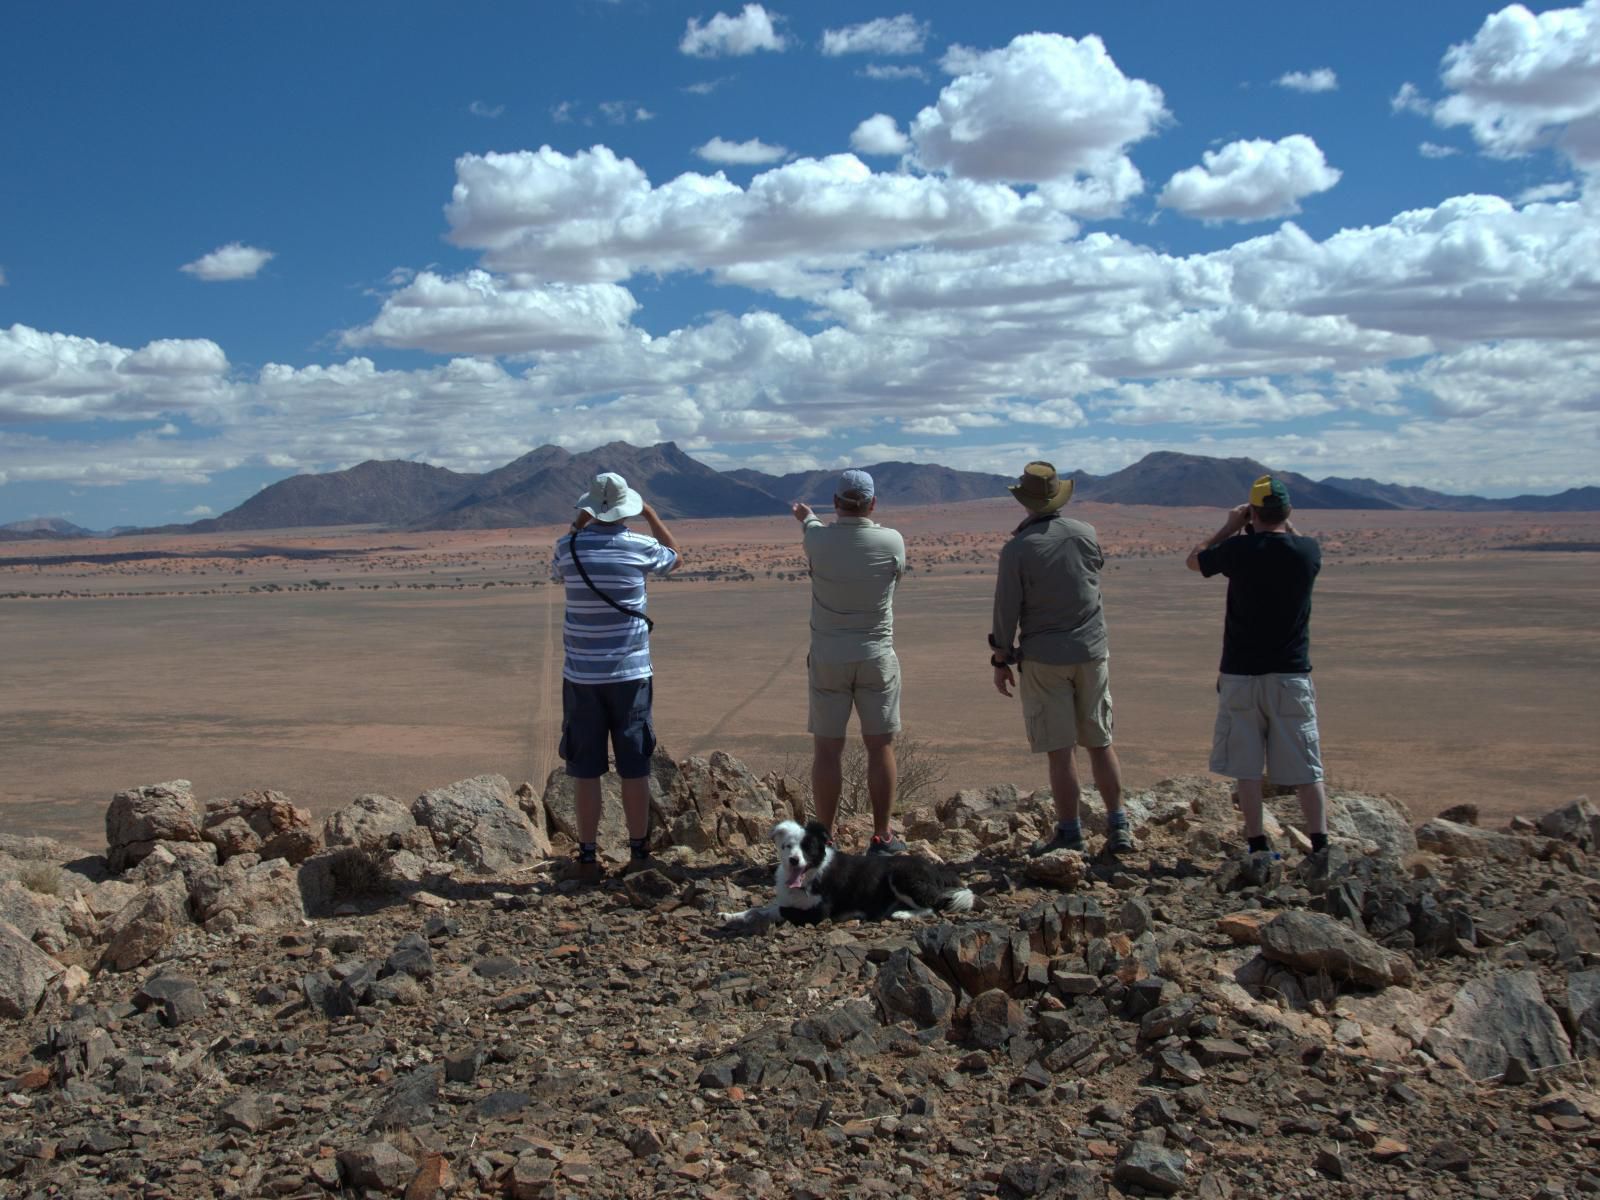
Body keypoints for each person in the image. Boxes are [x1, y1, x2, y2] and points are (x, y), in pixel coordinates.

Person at [990, 461, 1132, 857]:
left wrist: (1000, 658)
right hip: (1091, 651)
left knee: (1061, 749)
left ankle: (1070, 832)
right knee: (1101, 742)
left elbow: (1007, 609)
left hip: (1044, 658)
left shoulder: (1018, 548)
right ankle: (1119, 825)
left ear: (1026, 500)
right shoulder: (1086, 533)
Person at [1186, 474, 1329, 859]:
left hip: (1241, 674)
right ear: (1288, 511)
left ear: (1252, 513)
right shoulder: (1308, 551)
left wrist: (1229, 528)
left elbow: (1194, 561)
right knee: (1305, 763)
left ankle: (1258, 845)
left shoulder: (1239, 550)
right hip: (1291, 674)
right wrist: (1281, 524)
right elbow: (1292, 538)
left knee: (1246, 765)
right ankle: (1320, 845)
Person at [551, 471, 680, 881]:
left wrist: (578, 525)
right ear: (628, 508)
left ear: (590, 507)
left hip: (581, 678)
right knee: (635, 765)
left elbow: (556, 572)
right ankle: (639, 854)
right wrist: (654, 515)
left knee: (585, 769)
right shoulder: (640, 547)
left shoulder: (567, 549)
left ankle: (587, 858)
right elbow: (674, 557)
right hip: (630, 676)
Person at [793, 469, 908, 855]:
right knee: (881, 747)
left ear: (837, 503)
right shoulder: (891, 540)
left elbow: (810, 526)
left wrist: (807, 515)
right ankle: (882, 836)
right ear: (873, 503)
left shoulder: (818, 540)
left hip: (828, 656)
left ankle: (823, 838)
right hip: (876, 654)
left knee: (827, 750)